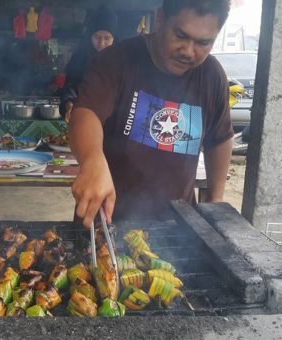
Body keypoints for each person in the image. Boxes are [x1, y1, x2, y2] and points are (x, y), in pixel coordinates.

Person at [69, 0, 233, 228]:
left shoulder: (212, 75)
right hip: (107, 221)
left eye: (203, 42)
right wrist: (91, 158)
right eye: (180, 35)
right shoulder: (116, 61)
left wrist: (215, 199)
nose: (188, 51)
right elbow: (86, 113)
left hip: (179, 227)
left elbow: (220, 138)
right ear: (159, 19)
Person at [59, 6, 117, 122]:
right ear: (90, 37)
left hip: (114, 121)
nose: (101, 43)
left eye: (107, 38)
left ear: (114, 38)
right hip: (85, 117)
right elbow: (70, 86)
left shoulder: (121, 59)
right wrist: (69, 102)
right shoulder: (80, 57)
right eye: (97, 37)